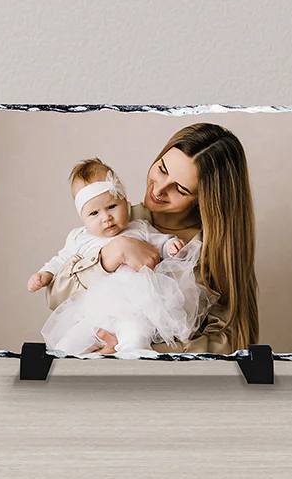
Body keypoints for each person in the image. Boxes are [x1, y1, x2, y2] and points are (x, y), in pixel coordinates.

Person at [45, 123, 259, 354]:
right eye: (162, 169)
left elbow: (230, 341)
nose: (158, 190)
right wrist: (110, 256)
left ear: (203, 199)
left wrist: (137, 347)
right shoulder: (115, 221)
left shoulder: (213, 249)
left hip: (169, 381)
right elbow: (56, 298)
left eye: (180, 189)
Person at [30, 158, 215, 355]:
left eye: (112, 207)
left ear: (125, 203)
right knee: (67, 347)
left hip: (137, 310)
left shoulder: (139, 227)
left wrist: (171, 245)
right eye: (94, 213)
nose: (106, 217)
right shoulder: (79, 238)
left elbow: (159, 241)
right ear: (82, 217)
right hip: (94, 312)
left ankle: (133, 376)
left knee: (135, 342)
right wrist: (45, 273)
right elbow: (61, 261)